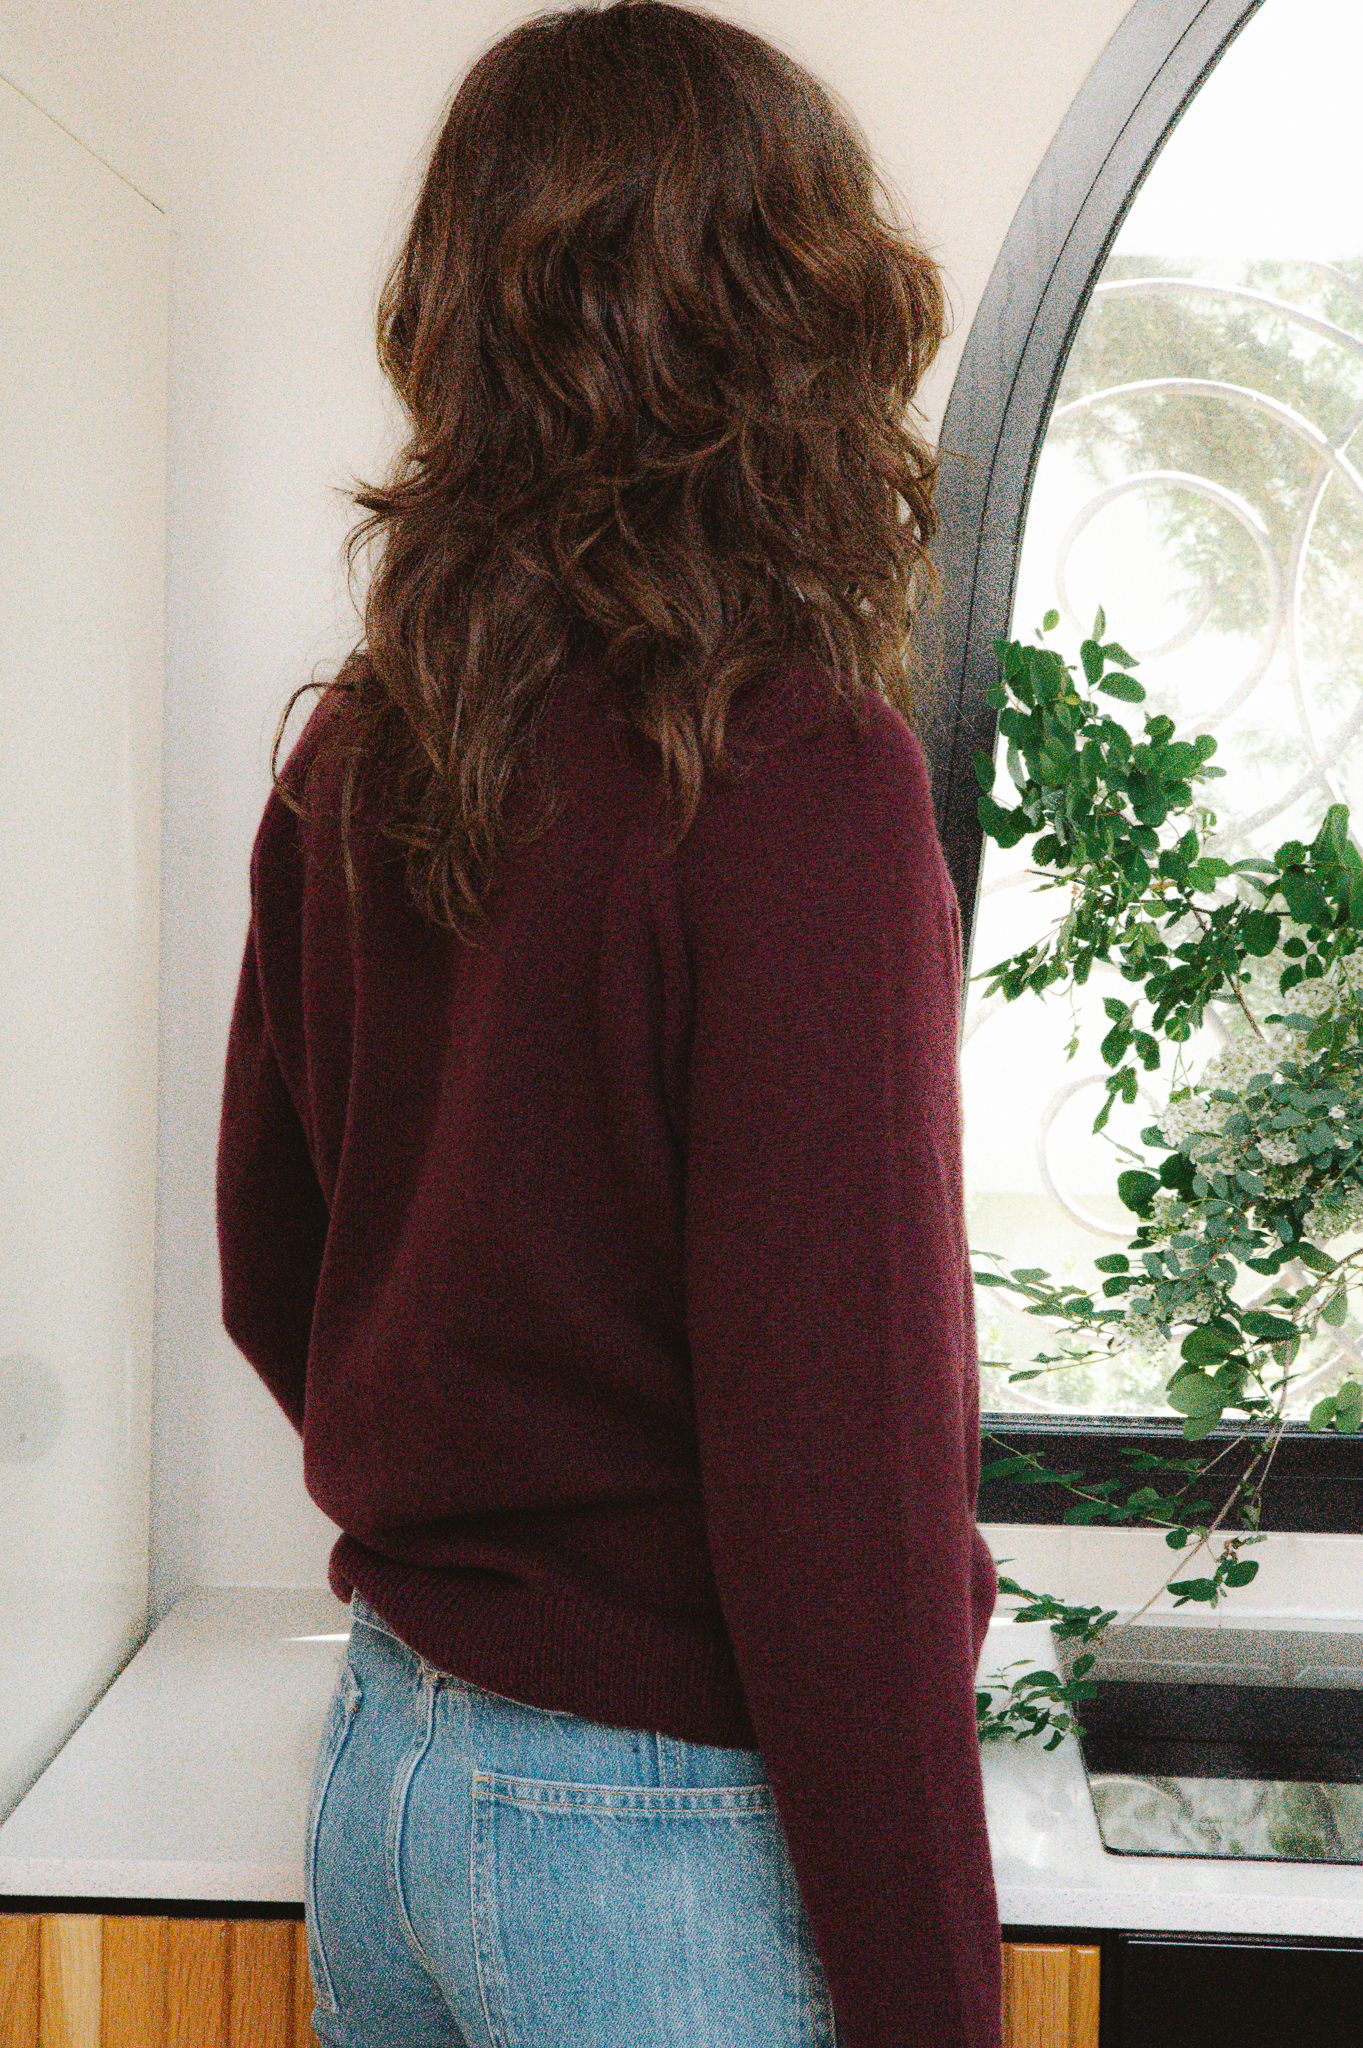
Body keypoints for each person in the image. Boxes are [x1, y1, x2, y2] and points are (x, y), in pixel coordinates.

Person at [215, 2, 1003, 2042]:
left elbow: (272, 1271)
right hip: (652, 1837)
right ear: (798, 326)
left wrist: (491, 1513)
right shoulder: (793, 771)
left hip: (390, 1779)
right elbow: (839, 1481)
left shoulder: (363, 751)